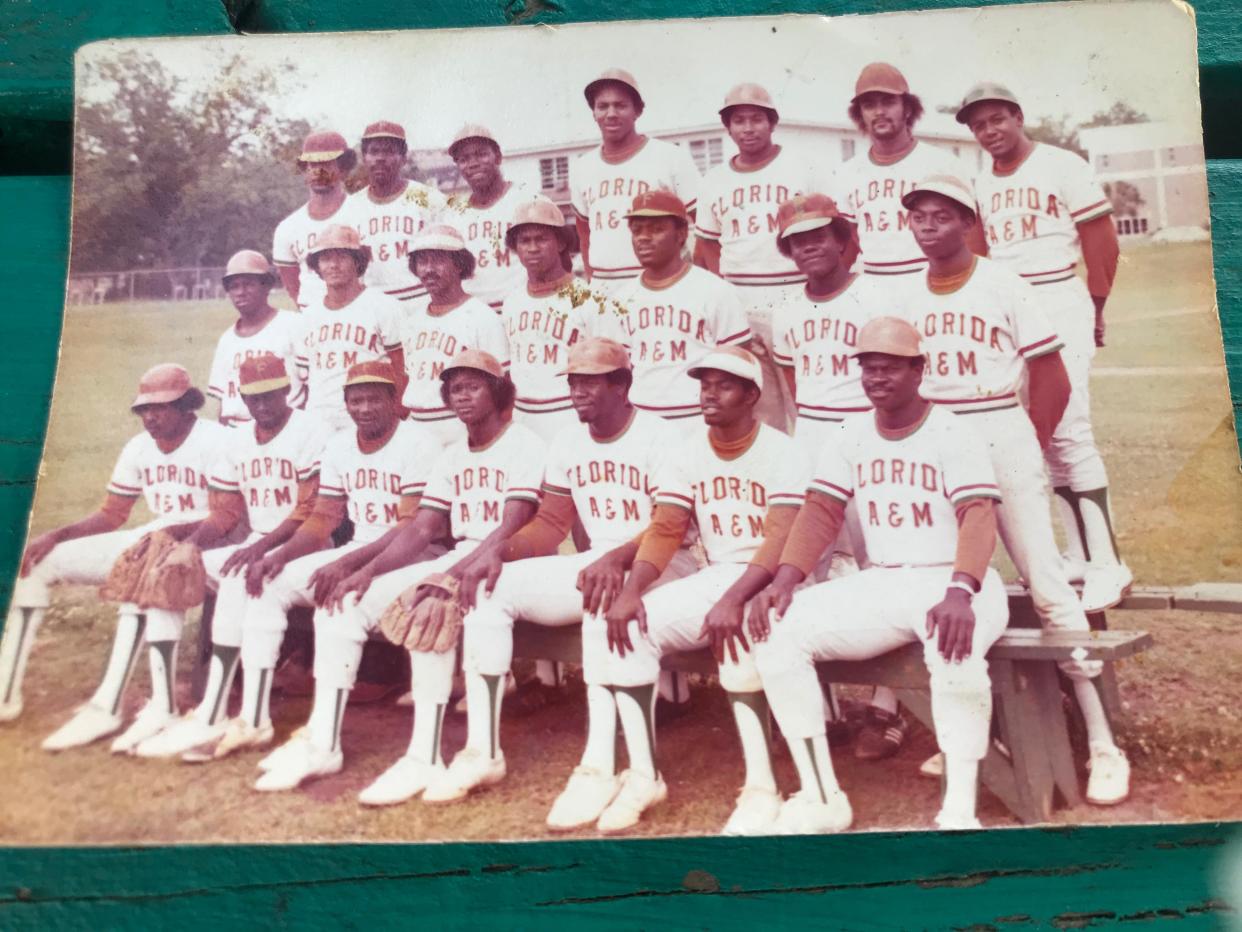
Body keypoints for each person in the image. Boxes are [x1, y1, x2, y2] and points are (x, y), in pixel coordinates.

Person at [900, 173, 1130, 804]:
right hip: (942, 435)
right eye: (917, 215)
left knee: (1048, 584)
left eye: (942, 215)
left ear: (969, 222)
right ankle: (971, 735)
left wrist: (1025, 439)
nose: (928, 225)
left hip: (999, 424)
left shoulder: (1003, 282)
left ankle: (1103, 741)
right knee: (947, 583)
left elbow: (1050, 374)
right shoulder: (906, 294)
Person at [748, 316, 1009, 833]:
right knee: (778, 632)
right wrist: (783, 579)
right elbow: (821, 510)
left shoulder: (953, 431)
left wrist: (961, 590)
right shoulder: (850, 434)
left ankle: (959, 810)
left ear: (918, 369)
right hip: (885, 580)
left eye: (889, 367)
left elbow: (978, 515)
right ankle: (821, 795)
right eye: (867, 368)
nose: (876, 378)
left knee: (954, 654)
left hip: (955, 579)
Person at [254, 351, 546, 798]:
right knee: (343, 601)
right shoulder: (452, 455)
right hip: (462, 558)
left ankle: (424, 754)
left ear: (497, 391)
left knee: (426, 605)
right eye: (454, 389)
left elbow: (512, 526)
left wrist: (443, 577)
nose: (461, 396)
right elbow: (423, 528)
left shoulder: (525, 442)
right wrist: (366, 573)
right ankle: (322, 740)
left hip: (510, 560)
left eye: (473, 386)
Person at [428, 338, 694, 822]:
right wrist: (498, 555)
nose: (577, 391)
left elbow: (671, 525)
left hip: (661, 563)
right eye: (573, 382)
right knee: (489, 590)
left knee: (598, 596)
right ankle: (482, 752)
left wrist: (617, 558)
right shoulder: (568, 440)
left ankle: (598, 766)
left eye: (589, 381)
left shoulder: (661, 435)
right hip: (597, 562)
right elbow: (551, 523)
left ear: (622, 384)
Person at [593, 346, 810, 835]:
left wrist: (734, 597)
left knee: (736, 633)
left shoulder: (784, 450)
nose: (710, 393)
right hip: (722, 574)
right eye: (704, 383)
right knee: (631, 626)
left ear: (753, 395)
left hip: (780, 579)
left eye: (725, 384)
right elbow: (667, 527)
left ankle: (761, 786)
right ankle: (644, 776)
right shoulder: (687, 452)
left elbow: (782, 537)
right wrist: (634, 589)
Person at [956, 81, 1131, 611]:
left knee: (1071, 428)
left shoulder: (1062, 165)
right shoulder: (982, 182)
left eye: (997, 120)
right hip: (1012, 309)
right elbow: (981, 256)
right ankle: (1078, 553)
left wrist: (1096, 306)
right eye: (979, 125)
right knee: (1044, 433)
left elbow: (1101, 241)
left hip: (1058, 297)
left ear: (1017, 115)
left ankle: (1108, 562)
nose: (990, 132)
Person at [2, 365, 228, 750]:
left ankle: (106, 706)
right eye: (145, 409)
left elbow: (228, 515)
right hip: (153, 535)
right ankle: (7, 692)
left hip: (208, 542)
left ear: (187, 406)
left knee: (143, 566)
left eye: (161, 408)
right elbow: (112, 514)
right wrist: (56, 535)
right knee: (36, 564)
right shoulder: (138, 447)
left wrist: (173, 541)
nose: (151, 417)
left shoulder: (216, 440)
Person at [232, 359, 438, 775]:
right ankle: (254, 718)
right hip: (362, 549)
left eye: (374, 399)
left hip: (412, 554)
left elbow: (410, 529)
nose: (364, 409)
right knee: (267, 583)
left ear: (394, 400)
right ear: (345, 404)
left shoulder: (420, 442)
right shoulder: (342, 444)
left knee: (340, 602)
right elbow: (323, 518)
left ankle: (323, 737)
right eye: (356, 400)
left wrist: (346, 563)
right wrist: (280, 556)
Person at [128, 355, 330, 760]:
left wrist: (256, 547)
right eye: (253, 397)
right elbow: (225, 511)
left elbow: (310, 511)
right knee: (170, 568)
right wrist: (189, 546)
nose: (262, 404)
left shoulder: (312, 430)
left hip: (304, 544)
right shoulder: (239, 438)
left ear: (286, 389)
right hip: (256, 540)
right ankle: (179, 705)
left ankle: (221, 712)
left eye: (270, 394)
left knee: (240, 577)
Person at [769, 193, 908, 761]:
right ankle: (818, 704)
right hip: (815, 440)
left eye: (819, 236)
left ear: (844, 237)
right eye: (797, 241)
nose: (809, 248)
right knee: (805, 567)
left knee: (886, 561)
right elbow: (792, 385)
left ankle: (890, 704)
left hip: (869, 436)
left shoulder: (876, 294)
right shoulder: (785, 310)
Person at [694, 83, 821, 428]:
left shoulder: (800, 166)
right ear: (728, 127)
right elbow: (708, 245)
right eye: (738, 120)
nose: (748, 128)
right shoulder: (713, 180)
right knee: (761, 405)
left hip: (794, 294)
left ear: (772, 122)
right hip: (741, 301)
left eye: (756, 119)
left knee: (805, 397)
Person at [612, 190, 753, 420]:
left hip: (699, 419)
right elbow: (622, 370)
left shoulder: (715, 290)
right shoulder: (622, 298)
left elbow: (739, 365)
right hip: (643, 419)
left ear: (681, 234)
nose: (643, 238)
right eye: (637, 230)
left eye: (656, 229)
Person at [500, 194, 624, 444]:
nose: (532, 248)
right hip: (525, 418)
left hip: (571, 416)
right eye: (524, 241)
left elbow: (615, 367)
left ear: (559, 242)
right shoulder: (511, 301)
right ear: (515, 248)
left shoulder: (590, 298)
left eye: (541, 239)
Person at [831, 63, 973, 278]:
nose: (879, 112)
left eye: (888, 102)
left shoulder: (943, 164)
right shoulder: (847, 173)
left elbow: (970, 234)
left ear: (907, 109)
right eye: (869, 105)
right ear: (860, 114)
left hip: (932, 282)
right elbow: (851, 242)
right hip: (875, 285)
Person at [569, 68, 700, 293]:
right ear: (593, 112)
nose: (611, 113)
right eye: (602, 106)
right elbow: (584, 235)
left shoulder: (670, 156)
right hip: (604, 288)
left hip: (660, 284)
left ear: (637, 111)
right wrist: (592, 281)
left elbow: (703, 225)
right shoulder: (582, 167)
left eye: (620, 105)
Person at [400, 225, 511, 447]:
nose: (429, 269)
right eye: (422, 261)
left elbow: (503, 389)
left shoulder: (483, 318)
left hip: (460, 432)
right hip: (417, 430)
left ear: (460, 265)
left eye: (438, 260)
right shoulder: (412, 322)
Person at [295, 224, 405, 431]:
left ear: (357, 261)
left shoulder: (385, 307)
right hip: (319, 422)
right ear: (317, 266)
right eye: (326, 259)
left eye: (342, 257)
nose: (333, 265)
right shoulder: (308, 316)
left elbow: (403, 369)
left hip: (369, 420)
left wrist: (395, 414)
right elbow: (305, 381)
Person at [342, 120, 446, 304]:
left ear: (403, 158)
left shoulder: (429, 199)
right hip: (374, 303)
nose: (380, 158)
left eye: (389, 151)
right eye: (374, 151)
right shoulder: (350, 207)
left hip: (422, 300)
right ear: (364, 158)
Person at [207, 250, 304, 428]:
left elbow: (310, 386)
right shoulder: (227, 339)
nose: (241, 292)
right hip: (236, 433)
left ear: (266, 286)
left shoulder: (292, 325)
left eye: (248, 284)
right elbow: (223, 402)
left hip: (284, 428)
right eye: (234, 286)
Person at [443, 125, 532, 309]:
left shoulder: (527, 200)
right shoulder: (454, 215)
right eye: (464, 159)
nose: (473, 163)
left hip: (521, 308)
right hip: (476, 314)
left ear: (498, 157)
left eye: (481, 154)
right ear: (458, 166)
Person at [272, 130, 356, 310]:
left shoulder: (363, 213)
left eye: (326, 164)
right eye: (312, 165)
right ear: (304, 170)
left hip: (359, 316)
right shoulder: (288, 228)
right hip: (311, 322)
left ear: (343, 168)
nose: (318, 172)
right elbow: (294, 288)